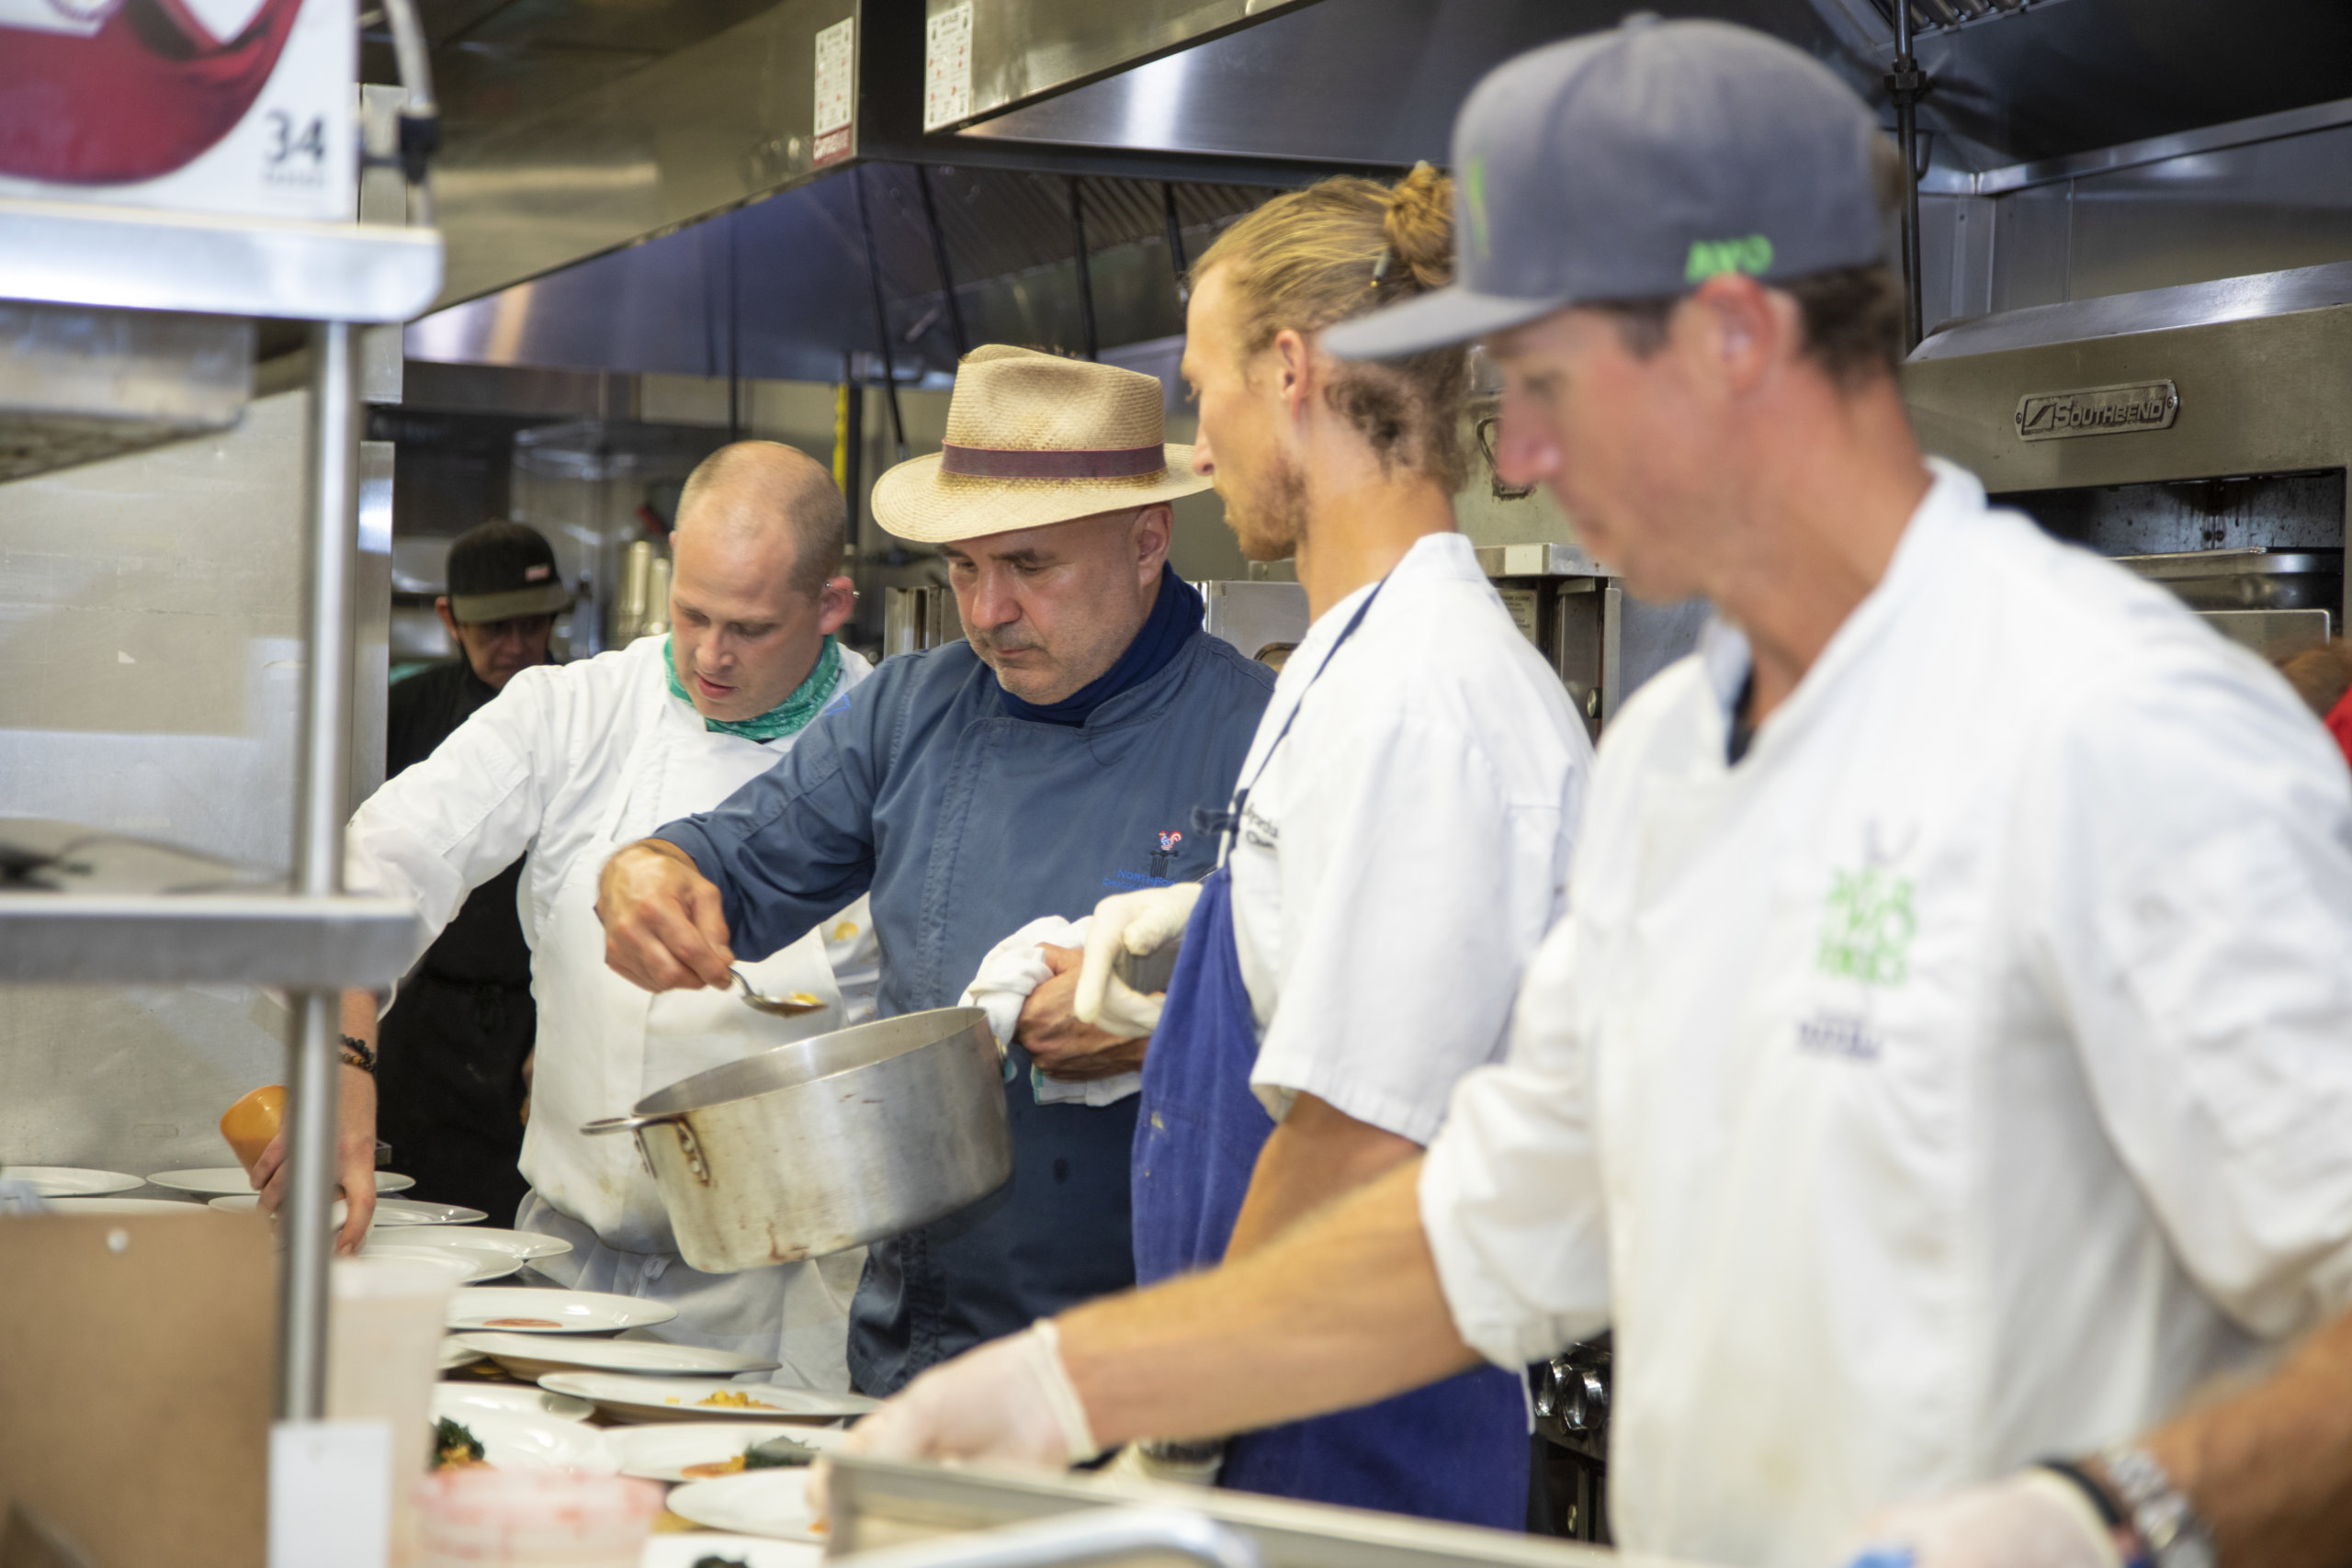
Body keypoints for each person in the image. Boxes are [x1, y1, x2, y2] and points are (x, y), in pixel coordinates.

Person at [826, 21, 2352, 1568]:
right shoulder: (1683, 755)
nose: (1525, 449)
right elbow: (1495, 1216)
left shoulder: (2116, 734)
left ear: (1738, 334)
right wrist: (1065, 1384)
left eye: (1547, 378)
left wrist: (2106, 1519)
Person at [1016, 167, 1589, 1527]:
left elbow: (1355, 1144)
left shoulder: (1428, 695)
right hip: (1277, 1405)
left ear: (1293, 370)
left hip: (1357, 1442)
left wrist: (1174, 1416)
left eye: (1201, 384)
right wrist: (1212, 918)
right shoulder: (1351, 658)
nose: (1198, 442)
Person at [594, 345, 1278, 1396]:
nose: (988, 610)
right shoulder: (912, 710)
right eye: (964, 567)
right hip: (920, 1349)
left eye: (1030, 566)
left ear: (1148, 542)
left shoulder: (1264, 739)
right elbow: (729, 856)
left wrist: (1169, 1021)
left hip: (1155, 1368)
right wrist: (650, 871)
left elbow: (1362, 1009)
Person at [262, 442, 884, 1388]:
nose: (710, 655)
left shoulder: (893, 747)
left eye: (749, 629)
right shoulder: (574, 711)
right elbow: (374, 863)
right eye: (692, 613)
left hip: (785, 1315)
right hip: (566, 1277)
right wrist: (341, 1071)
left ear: (831, 605)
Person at [374, 519, 568, 1225]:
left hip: (539, 1023)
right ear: (449, 618)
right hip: (426, 1025)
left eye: (532, 624)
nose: (516, 646)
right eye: (494, 629)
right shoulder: (404, 713)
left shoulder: (586, 712)